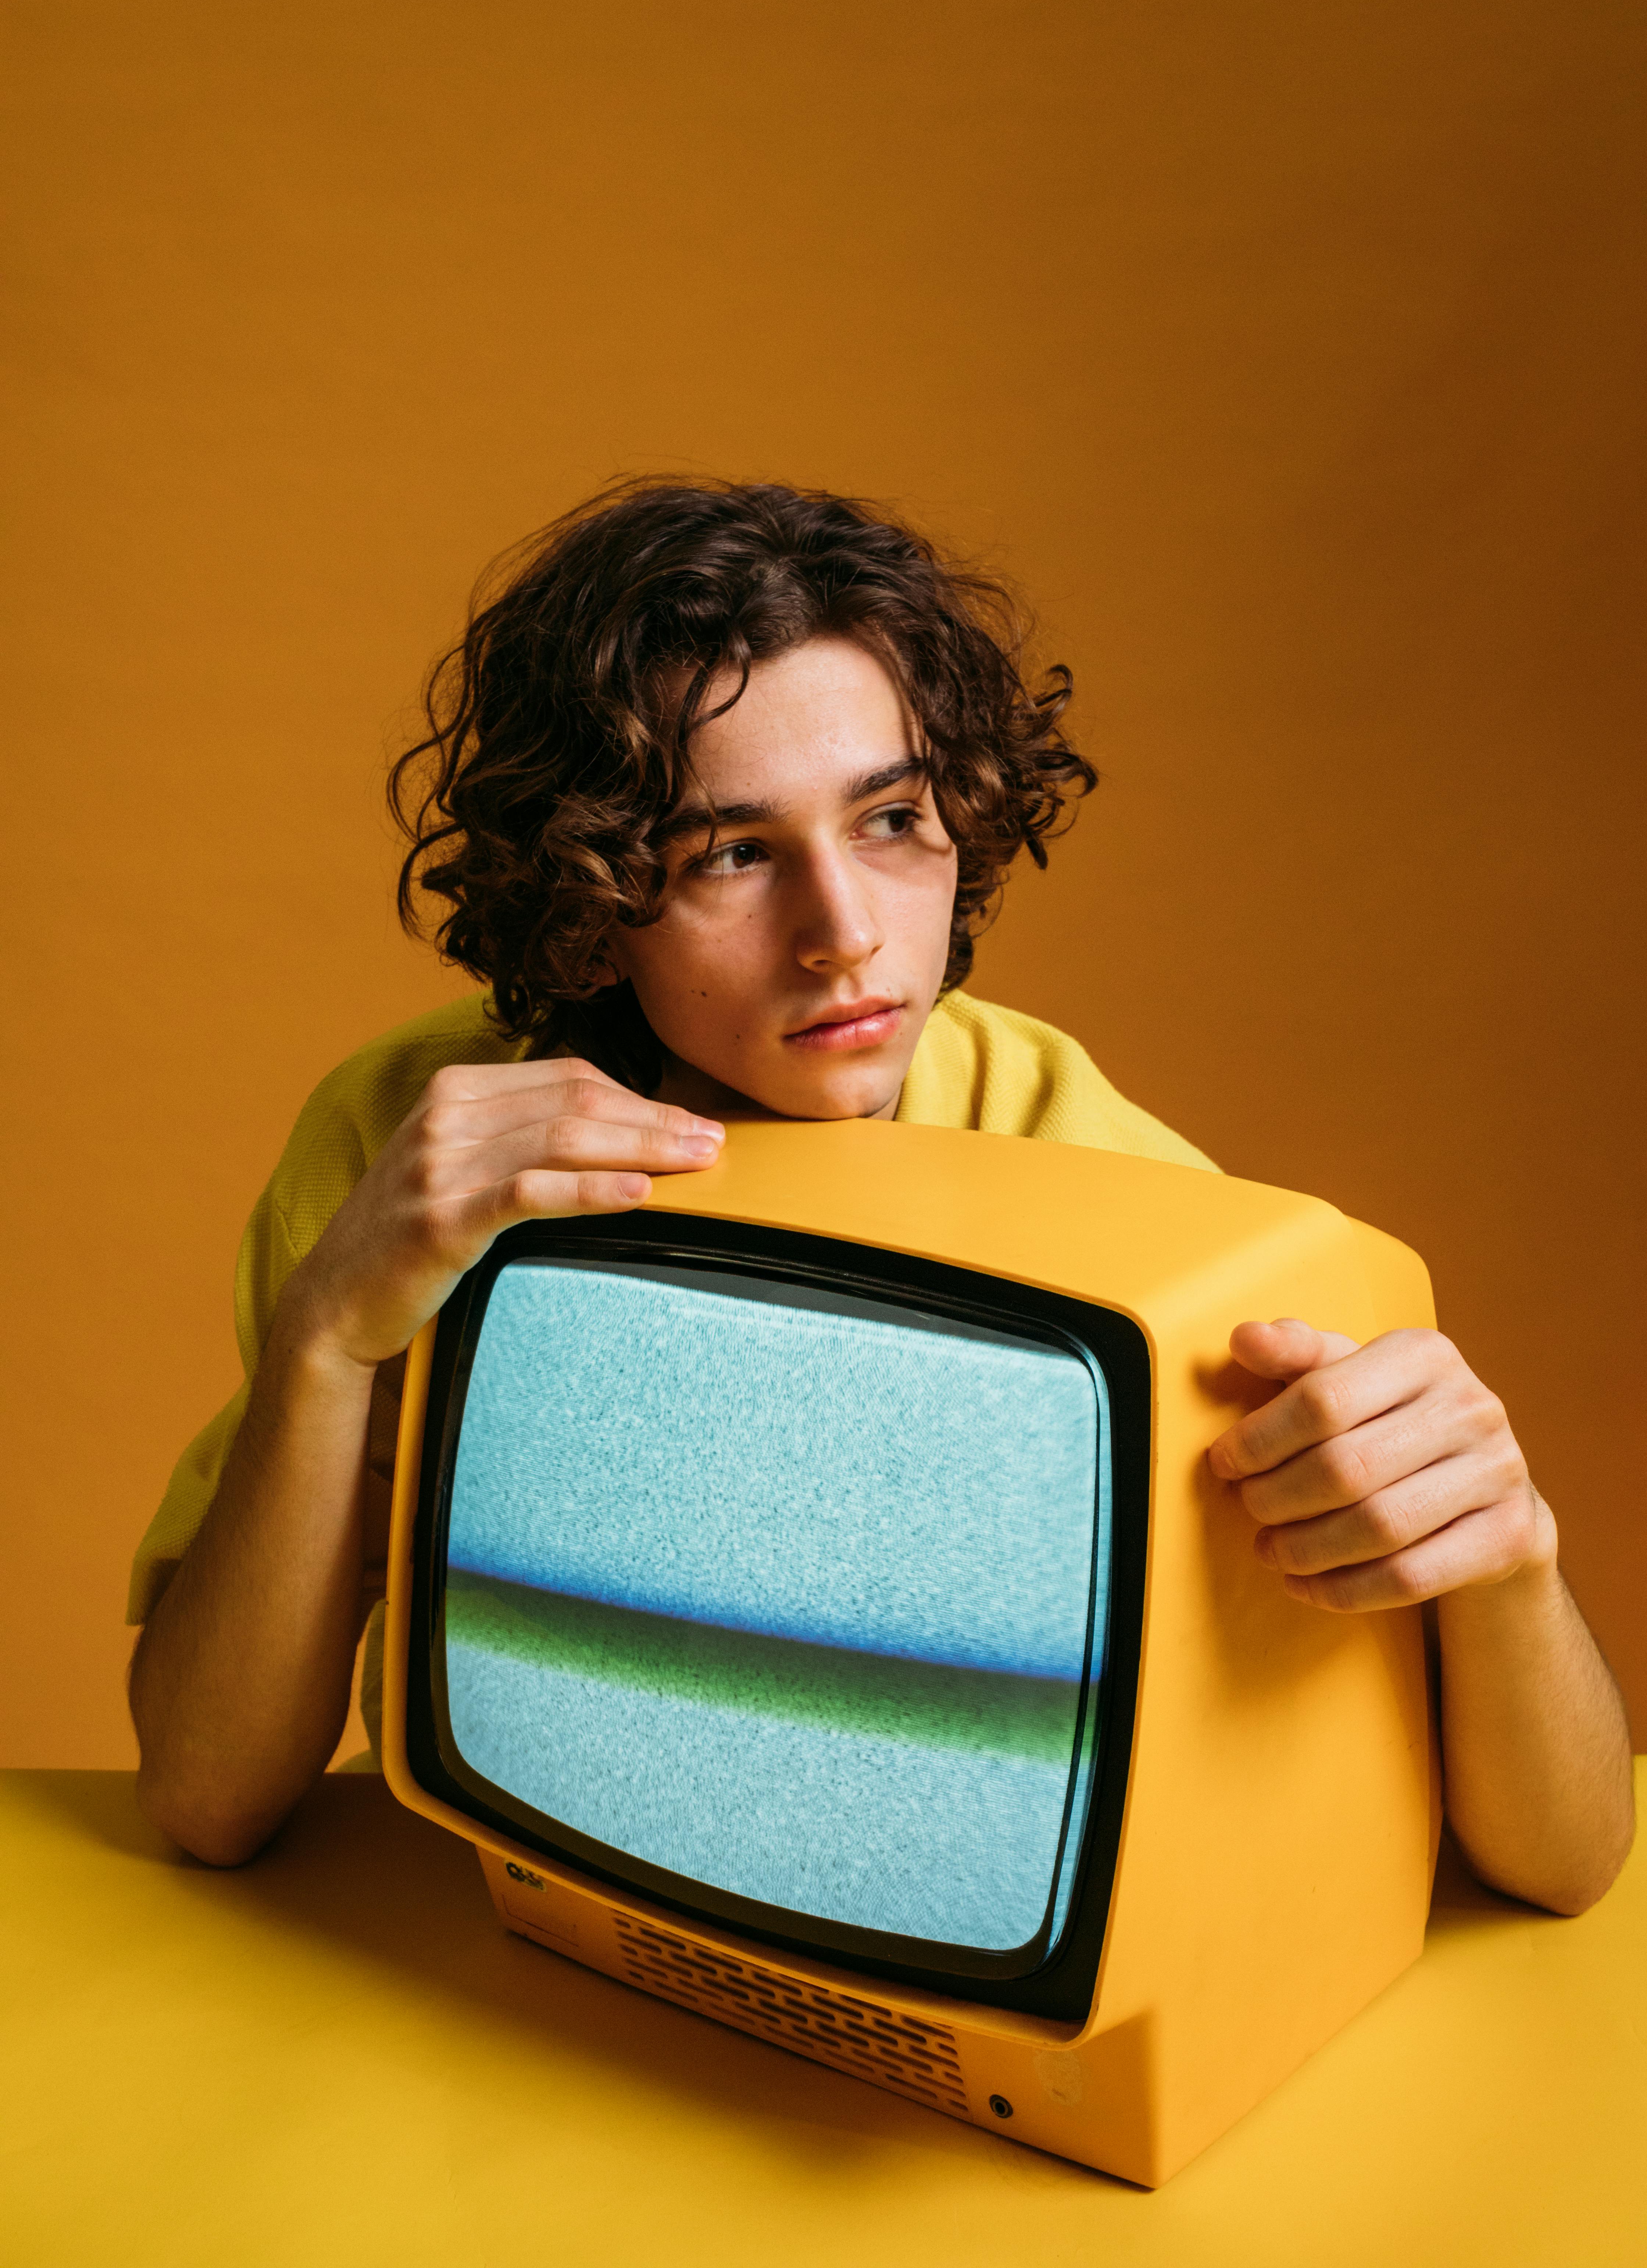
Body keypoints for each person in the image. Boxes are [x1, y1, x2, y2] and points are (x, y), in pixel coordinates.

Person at [128, 478, 1635, 1908]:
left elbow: (1566, 1865)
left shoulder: (1082, 1155)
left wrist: (1503, 1553)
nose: (843, 934)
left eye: (892, 820)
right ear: (589, 900)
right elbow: (209, 1797)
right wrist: (331, 1333)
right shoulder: (410, 1140)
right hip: (511, 1953)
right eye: (728, 852)